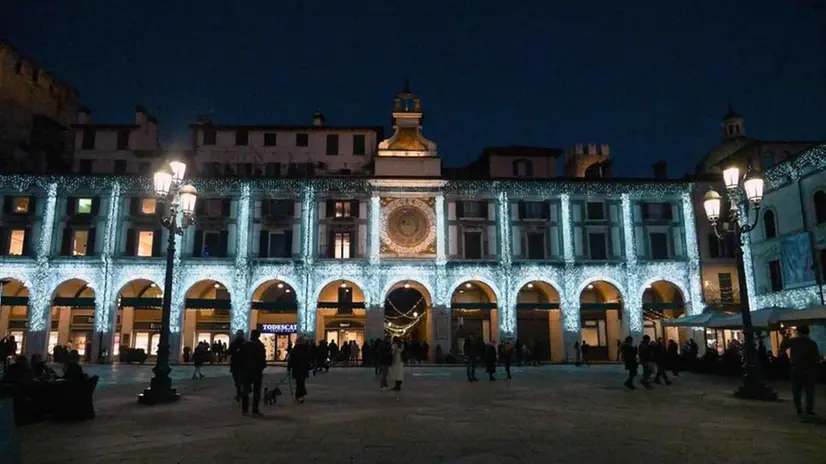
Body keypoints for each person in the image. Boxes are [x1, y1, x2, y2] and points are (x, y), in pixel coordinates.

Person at [779, 326, 820, 417]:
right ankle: (809, 410)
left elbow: (782, 347)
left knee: (796, 390)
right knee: (809, 391)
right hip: (808, 369)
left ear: (798, 332)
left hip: (796, 368)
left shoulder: (794, 341)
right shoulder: (812, 343)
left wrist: (785, 336)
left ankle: (799, 409)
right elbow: (816, 358)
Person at [240, 330, 266, 416]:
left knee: (245, 390)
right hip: (256, 371)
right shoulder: (260, 346)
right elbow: (262, 359)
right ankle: (255, 410)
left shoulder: (245, 345)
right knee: (256, 390)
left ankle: (245, 410)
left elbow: (241, 358)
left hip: (246, 370)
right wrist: (261, 367)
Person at [288, 336, 311, 403]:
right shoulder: (305, 349)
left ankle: (299, 395)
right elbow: (308, 359)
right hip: (303, 368)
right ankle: (300, 395)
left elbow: (291, 360)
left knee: (299, 382)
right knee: (301, 382)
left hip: (297, 368)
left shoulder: (295, 349)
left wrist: (289, 368)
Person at [227, 330, 246, 402]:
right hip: (236, 365)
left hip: (241, 365)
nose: (239, 335)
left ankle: (241, 393)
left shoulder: (244, 343)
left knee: (241, 380)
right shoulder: (235, 343)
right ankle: (239, 392)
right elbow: (229, 352)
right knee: (237, 381)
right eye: (239, 334)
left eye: (240, 334)